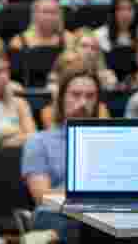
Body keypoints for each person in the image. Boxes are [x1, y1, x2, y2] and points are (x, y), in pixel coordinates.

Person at [21, 71, 101, 242]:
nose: (83, 102)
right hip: (58, 215)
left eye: (90, 96)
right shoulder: (39, 141)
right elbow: (42, 196)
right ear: (62, 99)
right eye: (76, 95)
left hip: (104, 216)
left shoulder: (109, 141)